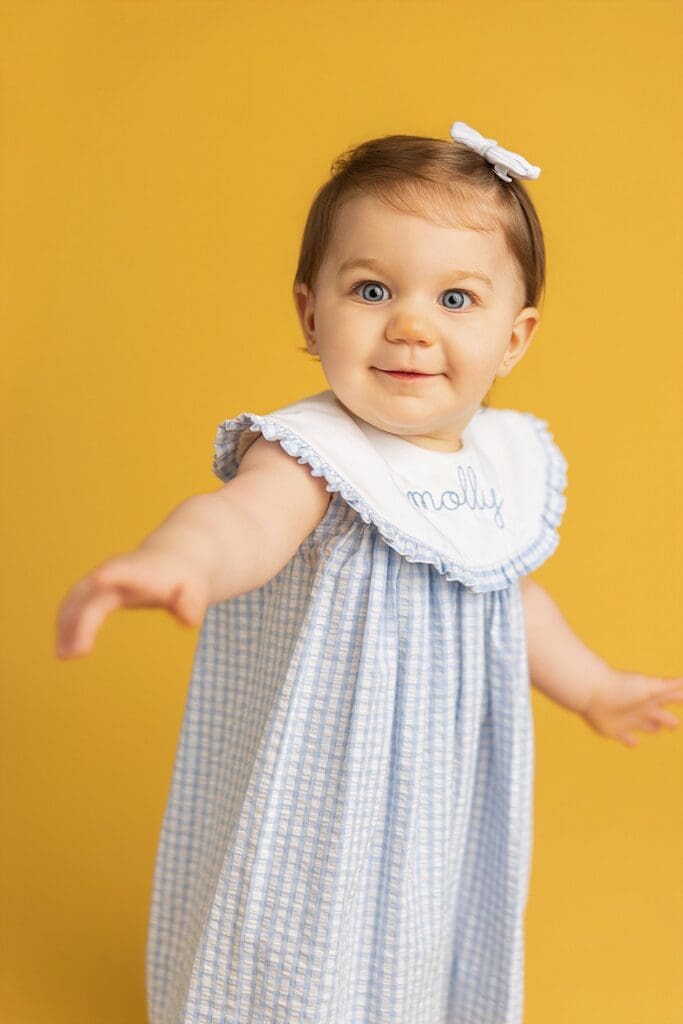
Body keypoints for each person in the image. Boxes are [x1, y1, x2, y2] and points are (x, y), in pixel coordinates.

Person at [55, 120, 683, 1024]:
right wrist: (176, 560)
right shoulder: (313, 453)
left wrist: (593, 687)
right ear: (312, 315)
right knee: (302, 939)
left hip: (436, 786)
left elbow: (505, 597)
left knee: (416, 937)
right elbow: (243, 520)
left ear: (514, 338)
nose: (410, 325)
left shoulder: (498, 461)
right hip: (326, 777)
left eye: (456, 299)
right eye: (373, 289)